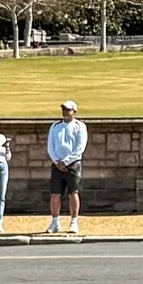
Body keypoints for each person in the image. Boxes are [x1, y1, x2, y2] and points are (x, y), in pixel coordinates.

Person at [46, 99, 88, 234]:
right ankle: (55, 222)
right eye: (64, 109)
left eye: (68, 109)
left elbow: (80, 147)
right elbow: (50, 146)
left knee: (73, 193)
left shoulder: (80, 126)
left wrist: (67, 161)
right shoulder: (55, 126)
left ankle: (74, 221)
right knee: (55, 194)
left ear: (74, 112)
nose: (65, 112)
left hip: (73, 164)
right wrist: (57, 161)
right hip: (57, 164)